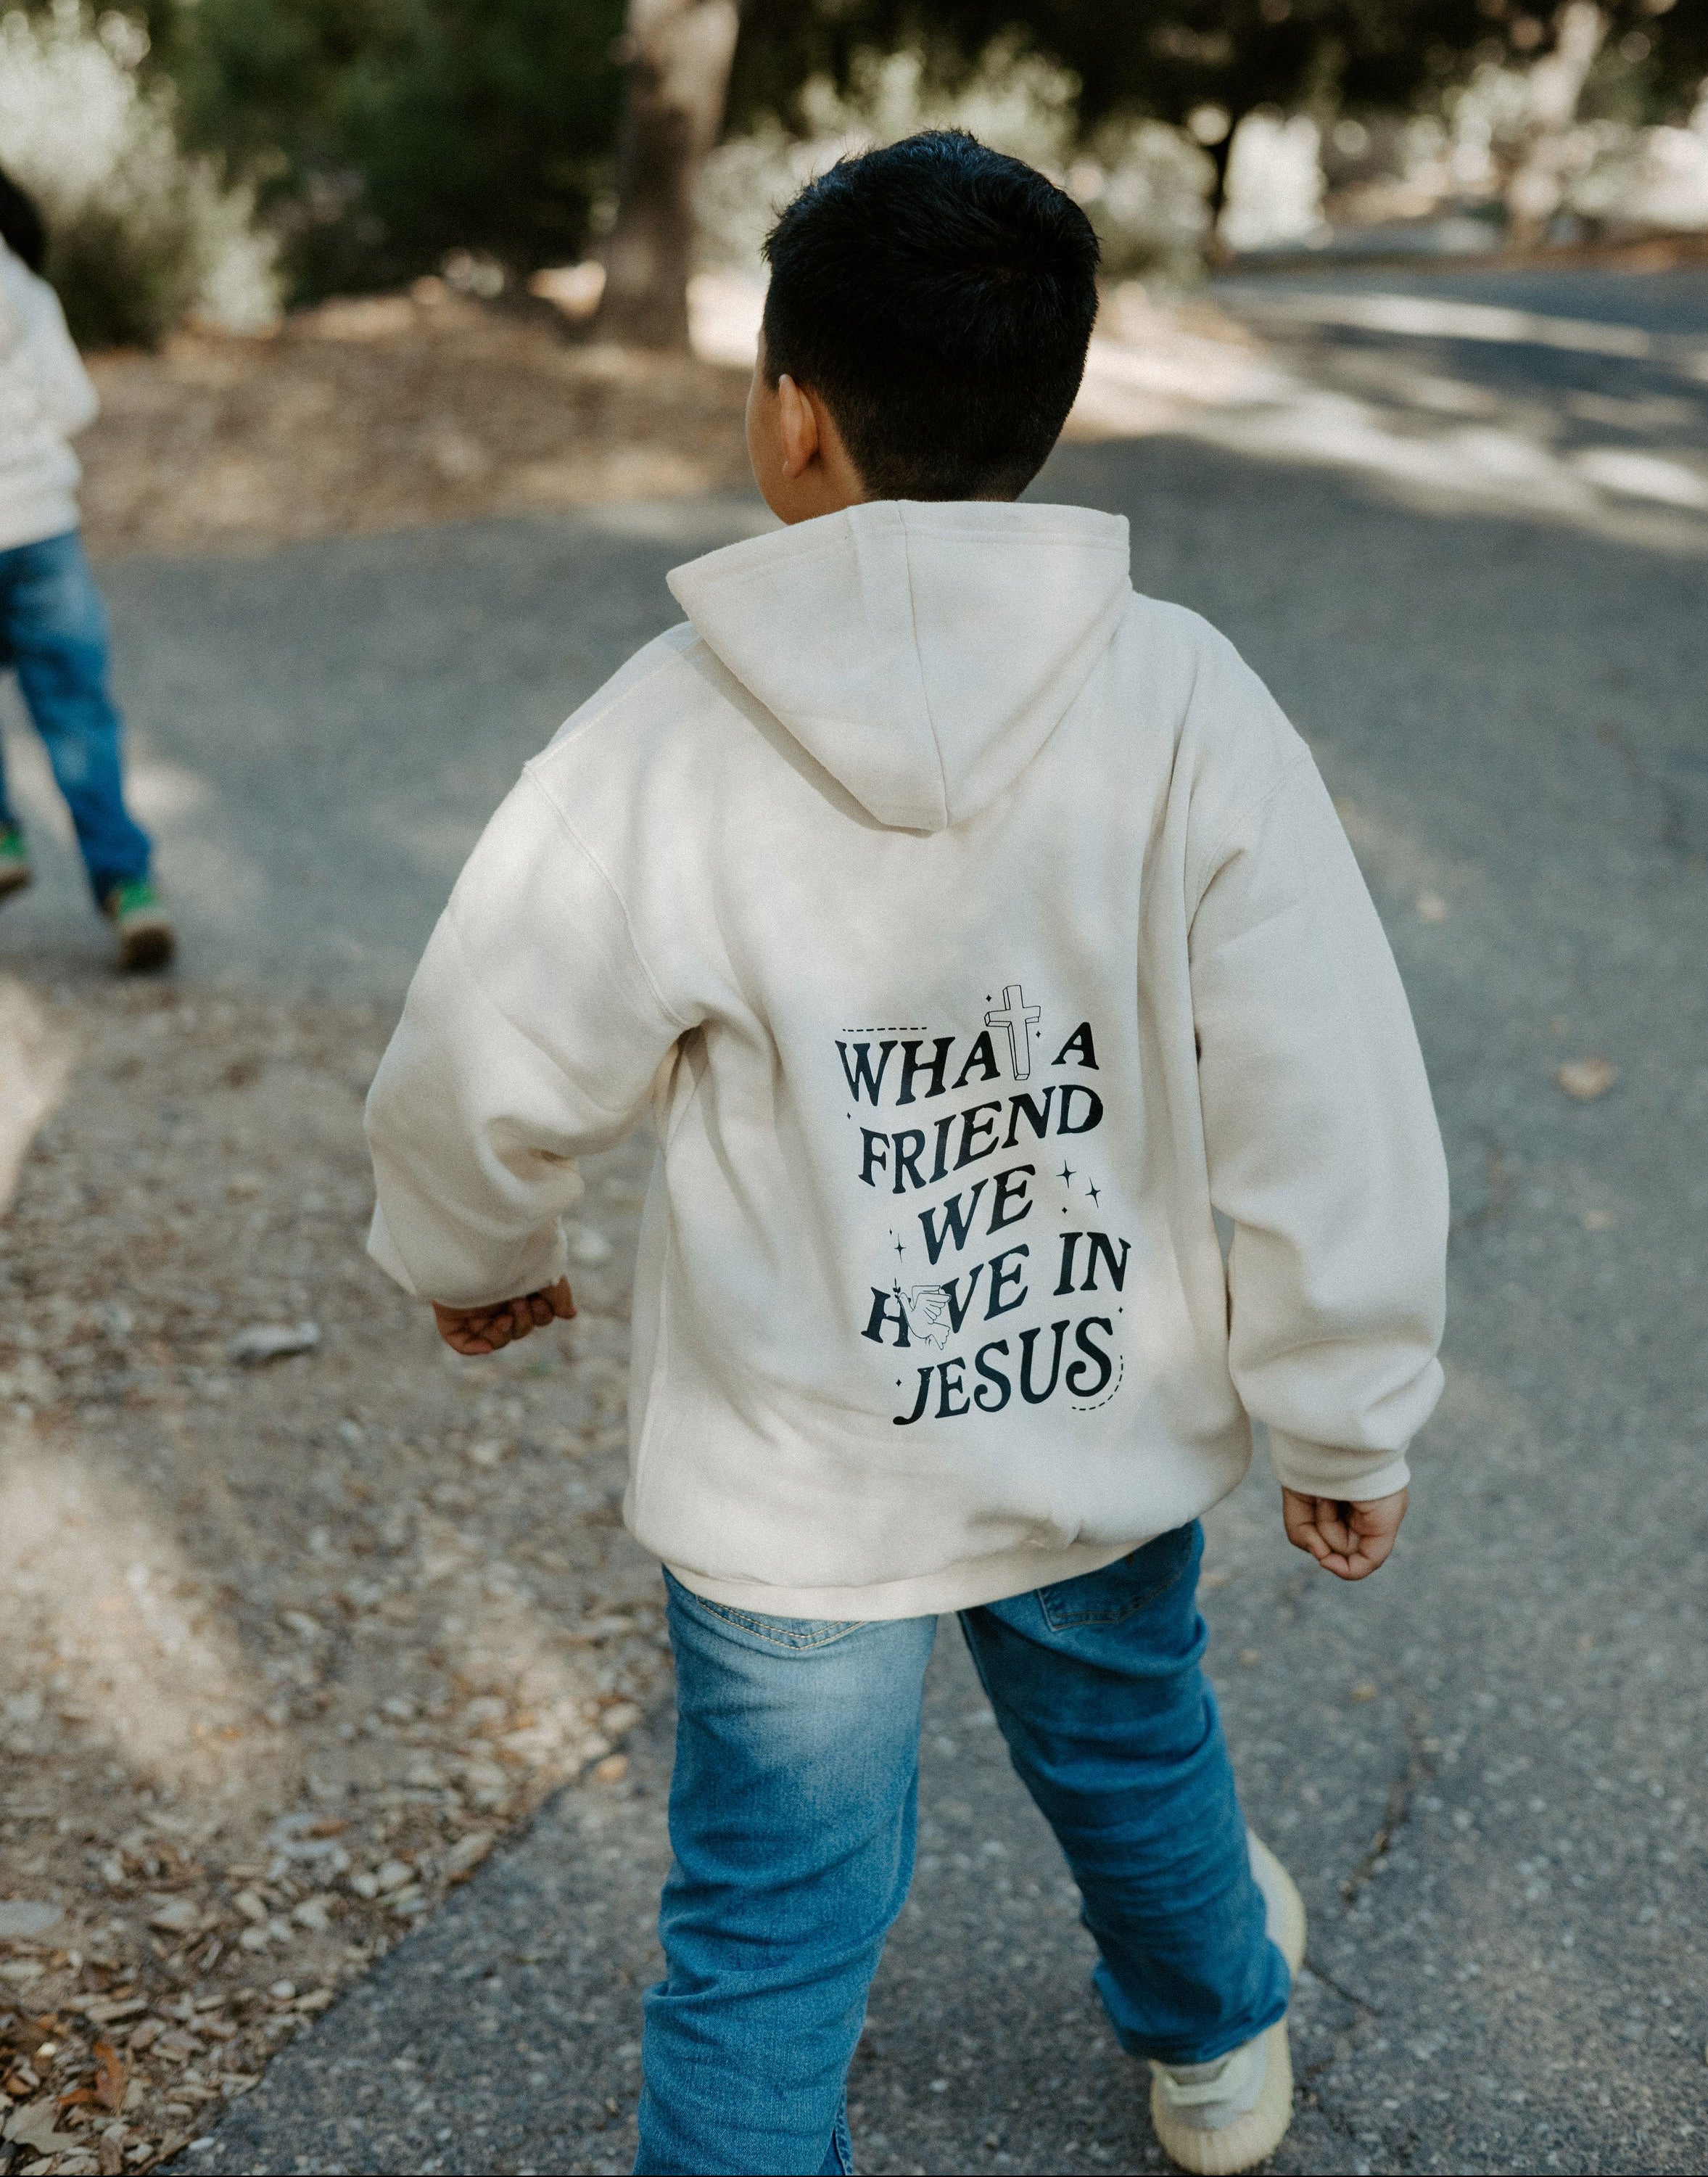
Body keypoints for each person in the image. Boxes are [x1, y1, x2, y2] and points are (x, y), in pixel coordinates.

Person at [363, 131, 1447, 2177]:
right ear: (1045, 408)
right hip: (1088, 1419)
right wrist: (1344, 1404)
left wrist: (475, 1246)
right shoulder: (1183, 699)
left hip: (794, 1480)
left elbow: (482, 1042)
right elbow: (1323, 1081)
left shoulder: (664, 731)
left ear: (790, 417)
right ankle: (1218, 2042)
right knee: (1132, 1749)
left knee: (766, 1923)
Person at [0, 163, 174, 971]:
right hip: (42, 530)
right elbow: (76, 405)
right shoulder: (27, 293)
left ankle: (1, 838)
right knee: (78, 716)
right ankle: (130, 888)